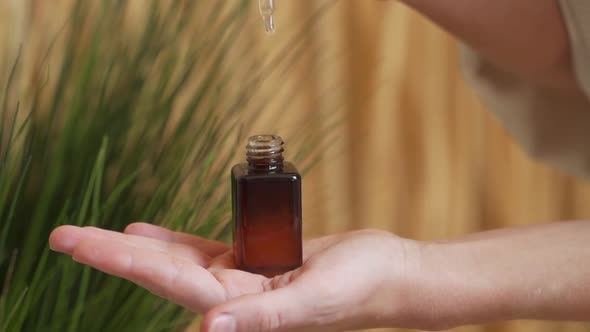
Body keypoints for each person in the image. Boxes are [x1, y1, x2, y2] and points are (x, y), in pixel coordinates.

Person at [49, 1, 590, 331]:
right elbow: (571, 46)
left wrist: (409, 277)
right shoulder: (261, 178)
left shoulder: (273, 176)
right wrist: (409, 269)